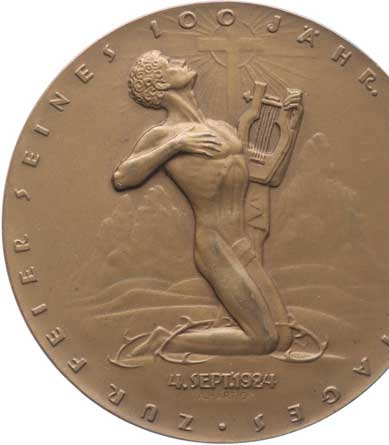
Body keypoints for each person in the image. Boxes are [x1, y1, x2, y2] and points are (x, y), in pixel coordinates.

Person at [112, 50, 301, 356]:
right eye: (170, 64)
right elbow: (122, 178)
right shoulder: (163, 135)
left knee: (283, 339)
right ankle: (163, 342)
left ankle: (184, 339)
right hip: (215, 244)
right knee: (263, 340)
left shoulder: (223, 128)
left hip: (242, 241)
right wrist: (176, 146)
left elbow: (269, 176)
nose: (180, 61)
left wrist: (289, 130)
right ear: (160, 85)